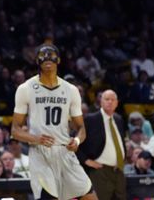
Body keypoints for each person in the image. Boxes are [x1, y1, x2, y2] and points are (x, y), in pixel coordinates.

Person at [10, 45, 97, 200]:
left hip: (65, 151)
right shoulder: (26, 88)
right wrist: (35, 138)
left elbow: (81, 128)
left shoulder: (71, 90)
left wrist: (76, 140)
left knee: (90, 197)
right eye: (43, 55)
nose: (47, 58)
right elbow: (15, 130)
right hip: (40, 152)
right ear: (37, 60)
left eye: (51, 55)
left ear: (59, 60)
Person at [77, 90, 126, 200]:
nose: (110, 102)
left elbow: (120, 142)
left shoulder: (119, 119)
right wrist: (86, 160)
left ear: (117, 103)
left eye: (112, 100)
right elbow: (75, 143)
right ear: (100, 102)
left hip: (118, 170)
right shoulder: (91, 119)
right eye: (107, 99)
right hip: (100, 171)